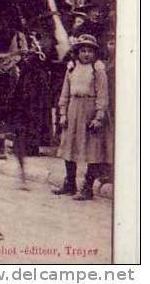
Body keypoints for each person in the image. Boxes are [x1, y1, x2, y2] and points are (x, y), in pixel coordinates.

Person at [52, 34, 112, 200]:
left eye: (90, 51)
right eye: (83, 51)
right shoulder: (71, 68)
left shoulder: (97, 69)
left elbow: (103, 95)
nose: (86, 54)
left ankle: (87, 187)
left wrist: (99, 116)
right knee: (69, 146)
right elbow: (64, 93)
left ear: (95, 53)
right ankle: (70, 183)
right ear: (77, 52)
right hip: (73, 108)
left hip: (90, 109)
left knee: (92, 149)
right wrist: (63, 113)